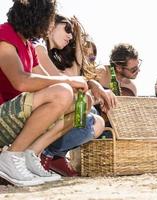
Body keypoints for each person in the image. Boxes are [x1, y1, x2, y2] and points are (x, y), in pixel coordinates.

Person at [0, 0, 89, 186]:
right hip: (3, 114)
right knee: (63, 92)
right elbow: (21, 81)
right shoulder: (4, 34)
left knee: (82, 100)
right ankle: (11, 156)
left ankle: (30, 154)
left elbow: (47, 83)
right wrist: (68, 81)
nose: (49, 25)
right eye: (49, 19)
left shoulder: (29, 47)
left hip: (13, 115)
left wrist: (84, 86)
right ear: (36, 16)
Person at [33, 14, 115, 176]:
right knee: (88, 110)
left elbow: (73, 75)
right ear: (50, 26)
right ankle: (47, 154)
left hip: (45, 111)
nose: (70, 35)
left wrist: (77, 39)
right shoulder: (39, 48)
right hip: (39, 113)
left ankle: (54, 156)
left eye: (73, 33)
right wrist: (92, 83)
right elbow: (60, 81)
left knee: (91, 113)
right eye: (67, 29)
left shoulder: (51, 53)